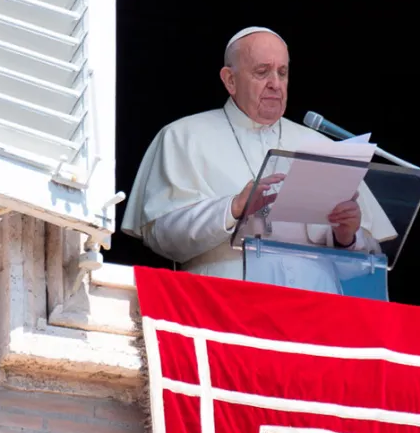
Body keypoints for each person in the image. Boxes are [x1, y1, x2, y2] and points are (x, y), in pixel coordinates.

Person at [121, 26, 396, 293]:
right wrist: (233, 208)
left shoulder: (322, 147)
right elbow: (162, 237)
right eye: (262, 72)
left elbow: (365, 266)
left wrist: (346, 236)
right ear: (230, 80)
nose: (275, 84)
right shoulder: (183, 136)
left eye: (282, 72)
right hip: (223, 305)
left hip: (316, 313)